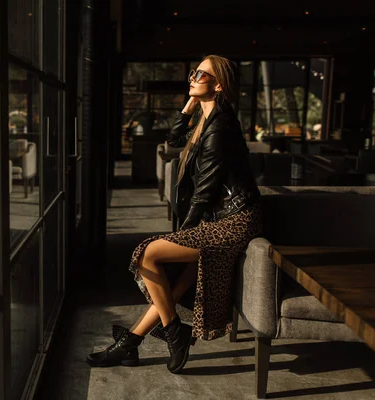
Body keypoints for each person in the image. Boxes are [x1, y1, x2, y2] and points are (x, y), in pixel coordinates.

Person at [87, 55, 262, 374]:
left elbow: (204, 192)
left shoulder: (221, 127)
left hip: (235, 221)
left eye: (201, 74)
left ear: (218, 84)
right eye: (194, 72)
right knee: (175, 288)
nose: (192, 77)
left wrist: (181, 235)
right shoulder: (207, 119)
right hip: (220, 218)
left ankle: (174, 333)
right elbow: (171, 142)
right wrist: (189, 107)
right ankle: (131, 344)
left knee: (148, 255)